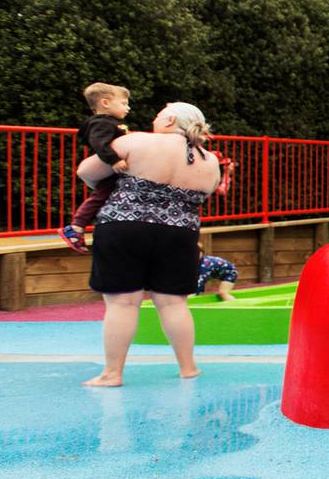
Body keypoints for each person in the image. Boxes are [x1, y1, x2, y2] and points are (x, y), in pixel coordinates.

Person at [77, 102, 221, 387]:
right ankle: (188, 367)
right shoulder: (210, 161)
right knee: (173, 303)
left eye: (158, 114)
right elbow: (207, 191)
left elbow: (87, 172)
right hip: (180, 233)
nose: (155, 118)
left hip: (124, 227)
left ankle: (112, 374)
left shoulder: (135, 141)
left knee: (123, 303)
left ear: (169, 120)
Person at [60, 83, 133, 253]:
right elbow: (99, 143)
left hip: (114, 169)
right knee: (100, 196)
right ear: (105, 103)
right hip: (111, 169)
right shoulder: (102, 123)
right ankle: (76, 227)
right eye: (123, 103)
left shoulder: (109, 122)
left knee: (105, 196)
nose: (128, 108)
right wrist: (114, 160)